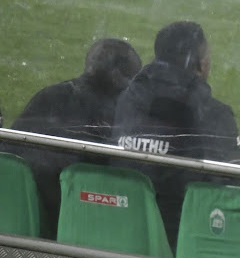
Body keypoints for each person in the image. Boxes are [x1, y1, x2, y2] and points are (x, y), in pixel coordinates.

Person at [111, 20, 240, 251]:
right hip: (183, 242)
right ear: (200, 66)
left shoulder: (124, 101)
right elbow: (232, 186)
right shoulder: (214, 115)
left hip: (119, 227)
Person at [2, 38, 142, 238]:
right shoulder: (114, 115)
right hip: (74, 225)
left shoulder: (47, 95)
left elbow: (9, 156)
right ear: (118, 78)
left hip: (17, 214)